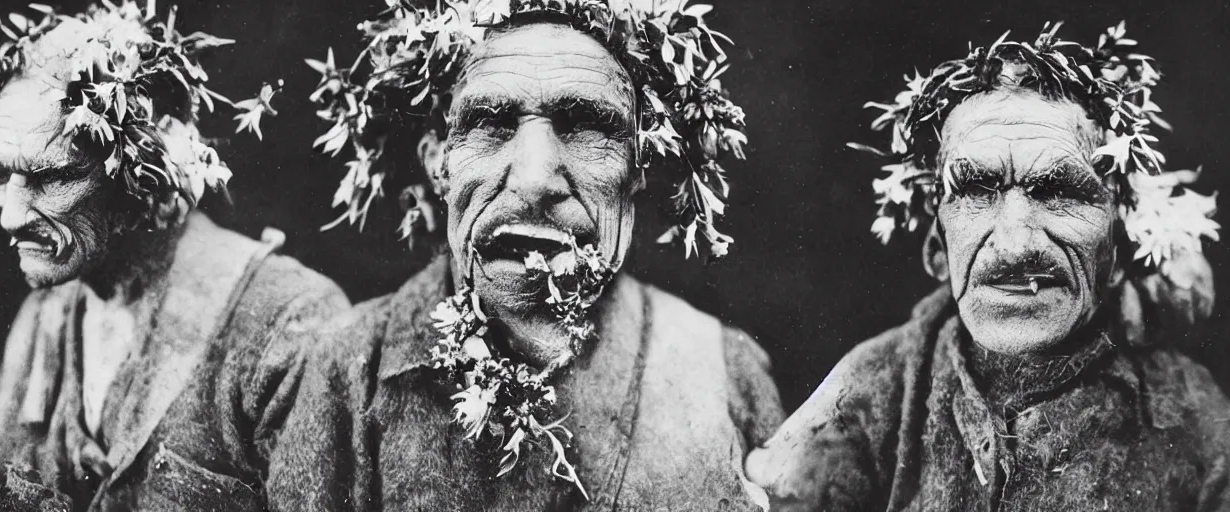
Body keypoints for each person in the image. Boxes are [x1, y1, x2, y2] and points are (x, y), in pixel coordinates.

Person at [267, 1, 783, 510]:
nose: (534, 180)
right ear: (439, 165)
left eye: (584, 126)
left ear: (636, 168)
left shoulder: (722, 369)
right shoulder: (345, 370)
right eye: (491, 124)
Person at [745, 22, 1230, 511]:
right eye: (977, 190)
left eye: (1060, 192)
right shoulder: (877, 389)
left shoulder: (1192, 418)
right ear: (938, 247)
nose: (1015, 243)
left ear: (1119, 250)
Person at [0, 3, 348, 510]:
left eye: (49, 177)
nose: (10, 217)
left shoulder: (287, 323)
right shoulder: (41, 322)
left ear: (140, 182)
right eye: (1, 176)